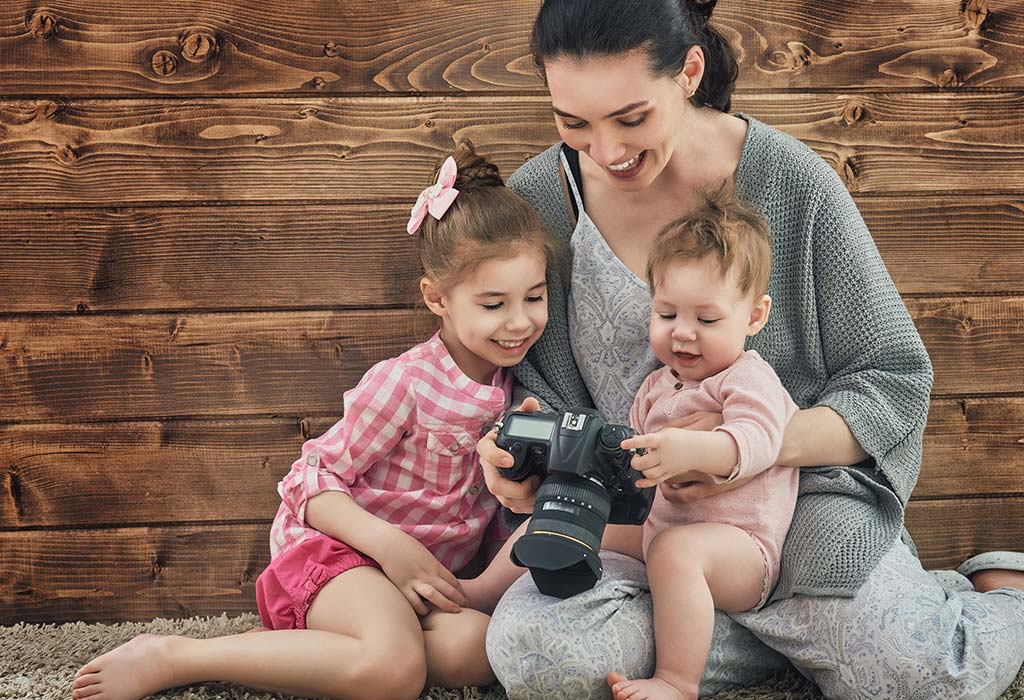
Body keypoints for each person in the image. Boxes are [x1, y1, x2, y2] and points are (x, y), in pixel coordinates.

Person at [475, 1, 1024, 699]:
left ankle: (1000, 592)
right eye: (573, 122)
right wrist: (520, 467)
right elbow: (539, 397)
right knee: (533, 653)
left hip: (788, 516)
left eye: (631, 117)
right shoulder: (540, 203)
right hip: (638, 534)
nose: (606, 151)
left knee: (926, 675)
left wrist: (735, 448)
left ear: (689, 72)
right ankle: (766, 633)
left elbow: (890, 379)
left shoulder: (795, 185)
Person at [70, 142, 556, 700]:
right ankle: (179, 656)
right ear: (437, 298)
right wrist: (389, 547)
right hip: (340, 556)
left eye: (535, 297)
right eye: (493, 305)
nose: (519, 322)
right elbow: (310, 480)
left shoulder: (517, 390)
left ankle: (319, 652)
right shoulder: (406, 382)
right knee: (393, 673)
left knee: (477, 647)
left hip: (408, 586)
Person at [604, 188, 799, 700]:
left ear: (754, 317)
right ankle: (475, 593)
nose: (683, 335)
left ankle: (676, 681)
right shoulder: (654, 386)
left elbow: (758, 440)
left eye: (706, 320)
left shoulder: (747, 378)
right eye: (667, 315)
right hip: (664, 529)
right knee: (578, 519)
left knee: (674, 552)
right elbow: (634, 460)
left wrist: (693, 450)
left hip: (739, 552)